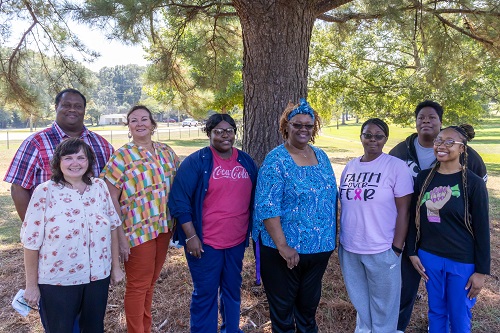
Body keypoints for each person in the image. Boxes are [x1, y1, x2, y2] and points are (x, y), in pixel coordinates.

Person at [4, 88, 113, 331]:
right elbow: (19, 187)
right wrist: (38, 231)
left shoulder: (101, 145)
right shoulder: (36, 142)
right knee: (61, 323)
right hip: (56, 258)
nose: (73, 109)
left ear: (85, 110)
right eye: (67, 105)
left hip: (93, 262)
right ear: (56, 108)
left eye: (78, 106)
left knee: (91, 323)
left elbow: (109, 190)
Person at [389, 100, 488, 332]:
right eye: (439, 141)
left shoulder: (472, 183)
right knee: (436, 311)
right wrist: (412, 251)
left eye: (450, 142)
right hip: (429, 257)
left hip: (461, 260)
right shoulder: (424, 178)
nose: (442, 146)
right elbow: (416, 218)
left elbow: (482, 228)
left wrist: (481, 271)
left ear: (462, 148)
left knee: (459, 314)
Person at [21, 138, 124, 332]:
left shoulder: (99, 187)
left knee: (93, 328)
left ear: (89, 161)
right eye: (68, 158)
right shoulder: (44, 192)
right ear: (58, 162)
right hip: (59, 280)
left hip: (97, 278)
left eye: (80, 157)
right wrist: (31, 285)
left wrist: (116, 268)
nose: (75, 163)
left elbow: (112, 226)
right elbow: (31, 241)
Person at [253, 98, 337, 333]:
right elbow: (267, 207)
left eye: (308, 126)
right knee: (283, 313)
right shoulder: (276, 160)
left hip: (318, 250)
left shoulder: (322, 156)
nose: (303, 130)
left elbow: (330, 198)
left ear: (314, 129)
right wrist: (283, 247)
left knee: (308, 310)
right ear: (286, 126)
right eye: (297, 124)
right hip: (285, 252)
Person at [168, 113, 258, 333]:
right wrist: (190, 236)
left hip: (236, 242)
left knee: (231, 289)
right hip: (205, 243)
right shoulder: (197, 162)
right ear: (209, 134)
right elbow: (179, 200)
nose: (225, 136)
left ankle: (231, 329)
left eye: (229, 131)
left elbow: (255, 197)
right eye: (218, 131)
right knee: (206, 292)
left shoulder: (245, 161)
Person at [101, 105, 180, 333]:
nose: (139, 123)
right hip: (136, 230)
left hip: (164, 226)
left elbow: (179, 187)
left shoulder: (167, 152)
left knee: (151, 283)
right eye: (133, 120)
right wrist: (121, 237)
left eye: (144, 119)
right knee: (137, 285)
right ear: (128, 127)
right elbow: (110, 198)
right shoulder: (121, 156)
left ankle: (144, 327)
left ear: (153, 124)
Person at [338, 118, 413, 332]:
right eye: (368, 135)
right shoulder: (350, 166)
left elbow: (404, 210)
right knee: (362, 306)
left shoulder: (395, 167)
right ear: (360, 137)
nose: (373, 140)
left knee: (384, 309)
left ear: (385, 139)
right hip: (350, 249)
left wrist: (396, 249)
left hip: (382, 249)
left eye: (378, 136)